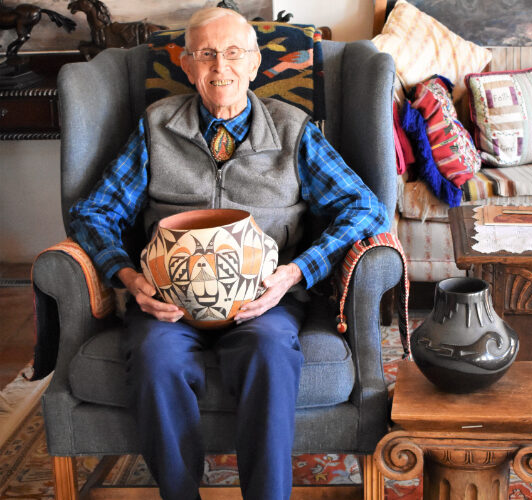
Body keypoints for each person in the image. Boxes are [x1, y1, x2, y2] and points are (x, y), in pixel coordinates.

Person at [69, 6, 389, 500]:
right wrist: (129, 278)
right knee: (155, 358)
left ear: (256, 62)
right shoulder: (157, 127)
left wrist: (296, 272)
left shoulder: (293, 129)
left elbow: (364, 208)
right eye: (207, 55)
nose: (222, 68)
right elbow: (94, 213)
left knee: (269, 352)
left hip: (263, 300)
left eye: (234, 53)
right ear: (187, 64)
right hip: (168, 303)